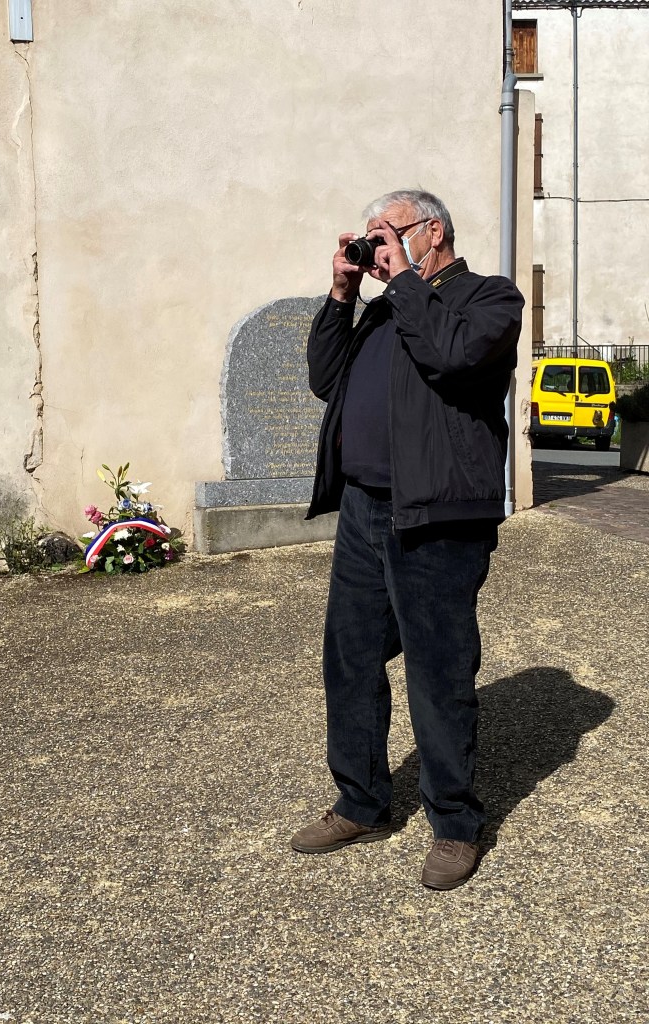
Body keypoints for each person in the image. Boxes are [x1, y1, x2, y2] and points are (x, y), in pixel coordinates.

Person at [291, 189, 524, 890]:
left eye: (388, 232)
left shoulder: (489, 298)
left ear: (434, 231)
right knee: (351, 659)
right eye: (369, 237)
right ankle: (360, 802)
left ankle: (454, 824)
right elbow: (324, 379)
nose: (377, 246)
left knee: (437, 669)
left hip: (438, 516)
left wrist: (401, 283)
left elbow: (453, 357)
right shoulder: (385, 308)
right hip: (364, 511)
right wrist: (342, 295)